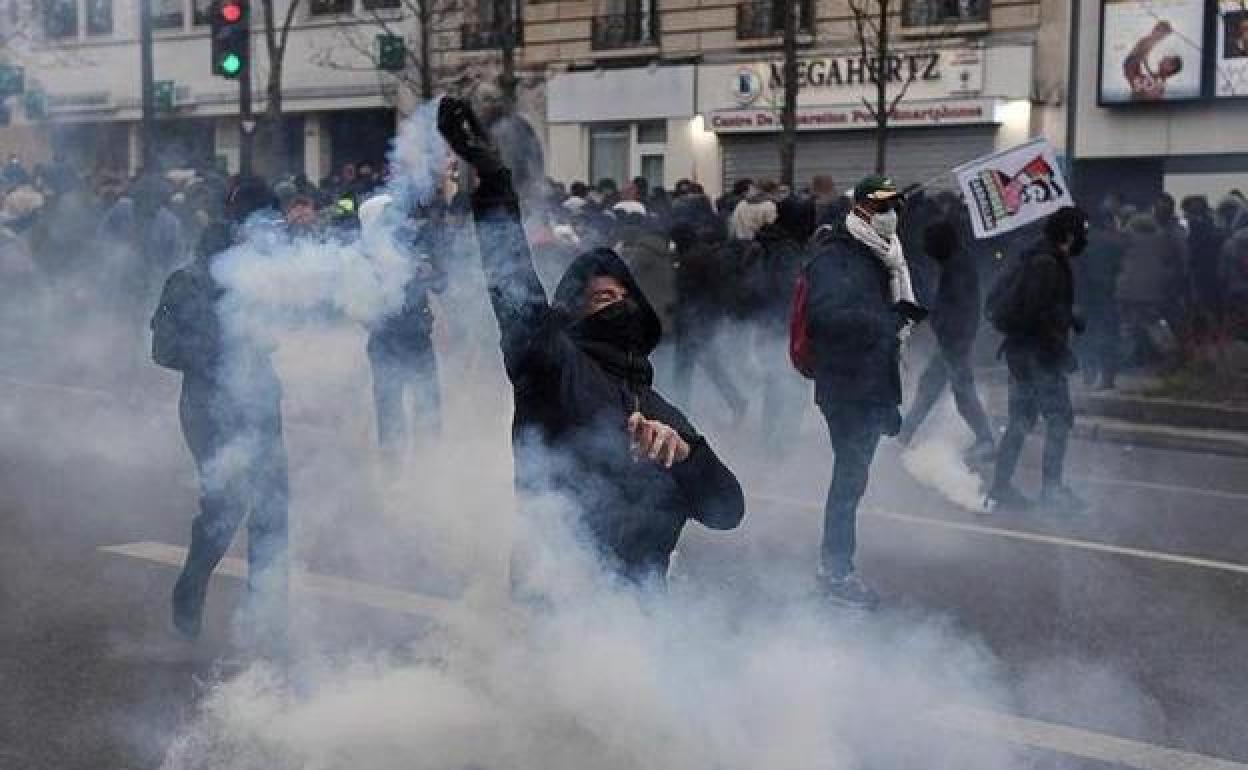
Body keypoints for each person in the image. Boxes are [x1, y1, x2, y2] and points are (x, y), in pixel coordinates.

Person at [437, 98, 744, 587]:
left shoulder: (655, 406)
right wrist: (493, 182)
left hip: (639, 613)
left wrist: (686, 456)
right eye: (601, 296)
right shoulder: (552, 365)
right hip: (561, 597)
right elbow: (512, 282)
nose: (616, 303)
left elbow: (728, 510)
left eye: (623, 296)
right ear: (574, 310)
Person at [152, 178, 290, 643]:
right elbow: (164, 350)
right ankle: (189, 591)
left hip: (260, 401)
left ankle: (263, 614)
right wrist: (224, 348)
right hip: (210, 408)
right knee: (225, 509)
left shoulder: (264, 276)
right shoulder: (188, 281)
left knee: (274, 507)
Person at [805, 175, 924, 609]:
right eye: (881, 206)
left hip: (871, 384)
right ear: (859, 208)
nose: (890, 214)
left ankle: (836, 567)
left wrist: (889, 400)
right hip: (846, 387)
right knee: (849, 477)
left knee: (854, 478)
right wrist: (887, 319)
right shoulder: (836, 253)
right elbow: (826, 317)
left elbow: (882, 337)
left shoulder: (885, 253)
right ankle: (835, 571)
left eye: (894, 206)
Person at [986, 206, 1090, 514]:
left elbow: (1042, 305)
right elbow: (1037, 312)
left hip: (1022, 353)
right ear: (1070, 235)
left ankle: (1001, 487)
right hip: (1038, 355)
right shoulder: (1047, 263)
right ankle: (1051, 490)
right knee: (1058, 420)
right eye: (1082, 232)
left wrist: (1070, 318)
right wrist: (1059, 351)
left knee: (1021, 420)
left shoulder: (1034, 256)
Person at [898, 217, 996, 462]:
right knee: (930, 386)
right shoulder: (955, 263)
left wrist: (941, 325)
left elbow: (959, 308)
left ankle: (986, 439)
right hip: (952, 340)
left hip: (956, 341)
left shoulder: (958, 267)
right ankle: (905, 434)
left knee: (962, 392)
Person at [359, 195, 448, 460]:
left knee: (428, 400)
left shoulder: (415, 247)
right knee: (389, 404)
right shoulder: (363, 257)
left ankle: (432, 459)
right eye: (387, 216)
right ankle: (393, 462)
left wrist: (429, 271)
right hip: (384, 341)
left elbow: (442, 284)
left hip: (418, 336)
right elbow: (357, 307)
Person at [1124, 20, 1183, 101]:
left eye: (1168, 59)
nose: (1164, 56)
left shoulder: (1157, 82)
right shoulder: (1156, 80)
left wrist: (1156, 35)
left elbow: (1130, 71)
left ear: (1170, 68)